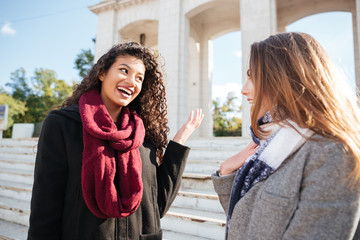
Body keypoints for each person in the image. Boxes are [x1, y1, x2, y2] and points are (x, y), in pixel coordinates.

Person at [28, 42, 204, 240]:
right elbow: (45, 206)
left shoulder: (143, 135)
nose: (132, 81)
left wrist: (179, 142)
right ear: (102, 73)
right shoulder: (62, 125)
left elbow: (157, 206)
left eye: (139, 78)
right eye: (124, 70)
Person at [212, 32, 360, 239]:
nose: (244, 90)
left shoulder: (331, 153)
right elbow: (247, 224)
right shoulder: (271, 145)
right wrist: (227, 173)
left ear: (284, 79)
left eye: (253, 77)